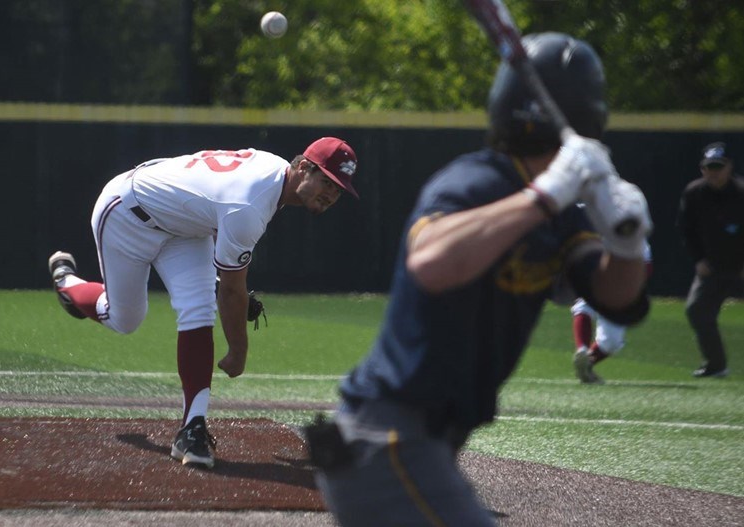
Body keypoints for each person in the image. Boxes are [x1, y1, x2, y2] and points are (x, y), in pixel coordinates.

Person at [307, 33, 651, 526]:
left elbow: (617, 298)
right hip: (387, 439)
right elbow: (430, 262)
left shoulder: (563, 216)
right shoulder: (477, 182)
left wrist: (627, 239)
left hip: (426, 443)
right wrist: (545, 195)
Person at [48, 137, 359, 468]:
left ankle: (192, 428)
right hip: (129, 213)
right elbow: (231, 289)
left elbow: (214, 207)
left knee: (198, 310)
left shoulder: (271, 174)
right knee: (124, 319)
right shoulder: (251, 205)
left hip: (184, 226)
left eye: (339, 188)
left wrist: (223, 282)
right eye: (327, 180)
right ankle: (67, 284)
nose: (331, 193)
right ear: (302, 167)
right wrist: (238, 351)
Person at [677, 142, 744, 378]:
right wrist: (699, 260)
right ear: (702, 169)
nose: (714, 172)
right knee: (696, 309)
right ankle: (716, 365)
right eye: (709, 167)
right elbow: (687, 231)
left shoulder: (740, 193)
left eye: (719, 166)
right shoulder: (694, 193)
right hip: (713, 266)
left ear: (729, 167)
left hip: (740, 265)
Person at [572, 240, 653, 384]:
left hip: (617, 287)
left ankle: (585, 361)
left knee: (611, 342)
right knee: (585, 306)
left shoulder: (634, 236)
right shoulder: (594, 228)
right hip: (603, 281)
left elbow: (646, 268)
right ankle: (583, 351)